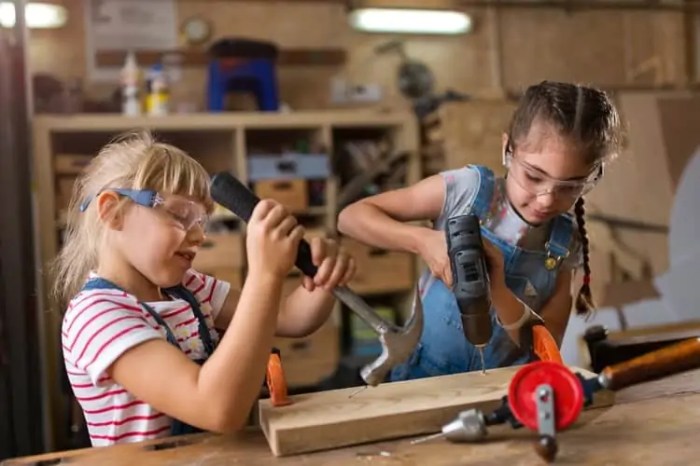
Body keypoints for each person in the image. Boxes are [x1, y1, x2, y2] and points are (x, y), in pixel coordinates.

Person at [55, 130, 355, 446]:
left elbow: (289, 318)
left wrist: (325, 278)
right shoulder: (96, 316)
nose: (199, 236)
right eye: (182, 215)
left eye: (202, 221)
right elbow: (215, 409)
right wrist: (265, 274)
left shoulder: (190, 289)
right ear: (113, 213)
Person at [337, 80, 623, 381]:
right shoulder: (466, 191)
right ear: (507, 150)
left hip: (500, 391)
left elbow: (546, 346)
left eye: (570, 186)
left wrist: (498, 288)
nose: (547, 199)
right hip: (419, 382)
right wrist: (423, 241)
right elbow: (351, 217)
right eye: (534, 176)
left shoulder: (564, 243)